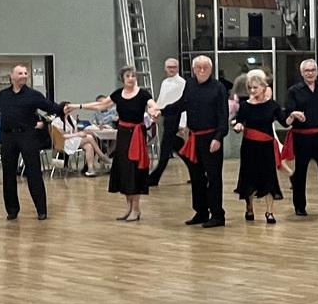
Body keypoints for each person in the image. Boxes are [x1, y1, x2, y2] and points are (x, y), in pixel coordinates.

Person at [0, 64, 65, 220]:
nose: (24, 75)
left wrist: (62, 110)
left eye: (25, 73)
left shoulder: (33, 95)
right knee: (8, 173)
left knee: (33, 172)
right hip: (8, 137)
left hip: (27, 136)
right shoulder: (4, 95)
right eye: (20, 73)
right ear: (12, 76)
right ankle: (12, 210)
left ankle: (41, 210)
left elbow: (52, 107)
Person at [67, 67, 159, 222]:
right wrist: (78, 106)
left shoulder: (143, 94)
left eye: (133, 76)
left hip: (136, 135)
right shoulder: (118, 94)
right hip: (122, 134)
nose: (131, 78)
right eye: (128, 76)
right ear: (122, 78)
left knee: (134, 170)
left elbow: (152, 104)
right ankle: (129, 207)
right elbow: (100, 105)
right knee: (124, 170)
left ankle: (136, 209)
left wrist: (154, 110)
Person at [167, 54, 229, 228]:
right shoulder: (190, 85)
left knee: (214, 177)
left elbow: (223, 116)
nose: (202, 71)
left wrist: (218, 138)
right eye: (198, 68)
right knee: (196, 176)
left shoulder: (218, 88)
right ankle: (201, 212)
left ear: (211, 69)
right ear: (193, 69)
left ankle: (217, 215)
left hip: (211, 139)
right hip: (194, 138)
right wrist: (162, 110)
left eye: (205, 68)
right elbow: (182, 105)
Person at [282, 58, 318, 218]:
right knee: (300, 172)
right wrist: (294, 114)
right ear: (302, 73)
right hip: (302, 138)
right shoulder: (293, 91)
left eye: (313, 70)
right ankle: (300, 207)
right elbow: (289, 111)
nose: (310, 73)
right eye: (307, 71)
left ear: (317, 72)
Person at [232, 69, 287, 224]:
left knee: (269, 177)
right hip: (250, 147)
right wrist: (238, 127)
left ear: (264, 88)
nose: (252, 90)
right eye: (250, 88)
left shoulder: (272, 105)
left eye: (255, 87)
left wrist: (293, 116)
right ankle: (249, 207)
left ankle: (269, 212)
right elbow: (239, 121)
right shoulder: (245, 106)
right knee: (249, 177)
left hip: (266, 147)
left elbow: (284, 122)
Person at [148, 58, 187, 188]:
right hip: (167, 116)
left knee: (166, 146)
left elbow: (184, 105)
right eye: (169, 67)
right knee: (178, 146)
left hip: (176, 117)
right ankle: (197, 170)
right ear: (165, 68)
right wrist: (154, 112)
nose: (171, 69)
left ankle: (155, 177)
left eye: (174, 67)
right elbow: (162, 100)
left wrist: (182, 123)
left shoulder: (182, 83)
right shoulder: (165, 82)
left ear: (178, 68)